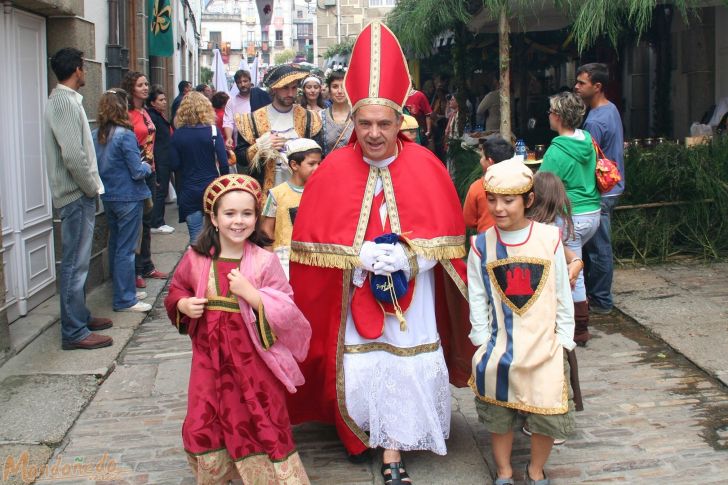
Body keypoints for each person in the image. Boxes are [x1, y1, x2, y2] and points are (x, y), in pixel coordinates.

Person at [286, 22, 474, 483]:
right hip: (355, 296)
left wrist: (413, 258)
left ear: (399, 123)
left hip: (415, 298)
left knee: (403, 358)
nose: (373, 134)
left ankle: (396, 445)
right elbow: (312, 249)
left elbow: (448, 241)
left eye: (383, 124)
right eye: (365, 123)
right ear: (355, 121)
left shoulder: (427, 166)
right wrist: (358, 258)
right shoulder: (330, 171)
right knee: (362, 360)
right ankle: (361, 428)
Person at [164, 174, 312, 484]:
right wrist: (183, 305)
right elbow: (177, 290)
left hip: (253, 364)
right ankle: (218, 473)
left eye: (246, 214)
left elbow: (286, 307)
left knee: (259, 417)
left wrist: (253, 295)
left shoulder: (264, 261)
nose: (238, 221)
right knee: (204, 418)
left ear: (257, 218)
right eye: (229, 213)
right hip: (209, 361)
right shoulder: (195, 258)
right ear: (214, 218)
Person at [468, 158, 576, 485]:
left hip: (545, 348)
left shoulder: (549, 239)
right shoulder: (480, 245)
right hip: (500, 349)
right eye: (492, 199)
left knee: (546, 416)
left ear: (528, 200)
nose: (498, 208)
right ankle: (503, 471)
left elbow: (560, 291)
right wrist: (481, 341)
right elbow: (478, 297)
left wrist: (565, 339)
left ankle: (535, 470)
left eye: (508, 200)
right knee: (498, 415)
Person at [44, 47, 113, 350]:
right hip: (75, 195)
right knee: (74, 263)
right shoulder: (62, 102)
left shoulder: (67, 101)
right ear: (76, 69)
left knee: (79, 262)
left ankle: (80, 316)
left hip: (77, 193)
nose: (85, 71)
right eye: (84, 66)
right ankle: (74, 331)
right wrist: (89, 188)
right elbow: (73, 154)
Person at [540, 91, 601, 346]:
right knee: (577, 263)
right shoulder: (586, 139)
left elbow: (541, 185)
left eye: (551, 112)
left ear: (558, 117)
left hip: (571, 217)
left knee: (572, 272)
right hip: (593, 212)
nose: (549, 116)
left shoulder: (557, 151)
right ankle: (578, 323)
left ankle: (579, 329)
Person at [93, 89, 153, 313]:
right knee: (126, 249)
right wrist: (147, 165)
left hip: (108, 195)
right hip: (128, 196)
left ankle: (123, 290)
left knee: (116, 245)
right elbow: (137, 171)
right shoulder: (124, 135)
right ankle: (125, 298)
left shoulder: (95, 133)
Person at [574, 63, 625, 316]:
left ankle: (602, 299)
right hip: (613, 186)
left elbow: (587, 161)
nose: (576, 86)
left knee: (598, 248)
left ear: (597, 86)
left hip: (603, 191)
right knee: (596, 246)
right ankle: (597, 295)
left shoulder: (595, 121)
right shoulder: (610, 108)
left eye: (582, 83)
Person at [234, 64, 322, 193]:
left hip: (302, 192)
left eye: (294, 87)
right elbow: (241, 158)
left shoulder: (309, 118)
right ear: (274, 88)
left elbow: (319, 156)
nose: (290, 93)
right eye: (285, 88)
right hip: (267, 192)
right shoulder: (252, 119)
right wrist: (259, 147)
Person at [122, 71, 168, 289]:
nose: (144, 87)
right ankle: (136, 270)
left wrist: (155, 171)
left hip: (150, 170)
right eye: (140, 84)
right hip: (136, 173)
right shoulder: (127, 113)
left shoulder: (146, 112)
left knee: (147, 222)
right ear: (131, 88)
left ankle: (147, 265)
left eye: (146, 84)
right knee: (137, 224)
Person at [170, 92, 229, 245]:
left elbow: (174, 164)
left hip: (188, 189)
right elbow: (223, 162)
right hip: (212, 189)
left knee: (195, 239)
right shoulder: (213, 131)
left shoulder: (177, 135)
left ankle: (197, 268)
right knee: (216, 236)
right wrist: (226, 184)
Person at [261, 139, 321, 278]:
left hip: (315, 258)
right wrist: (269, 261)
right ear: (294, 165)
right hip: (283, 259)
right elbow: (267, 229)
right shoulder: (277, 194)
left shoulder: (322, 192)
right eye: (311, 164)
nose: (317, 168)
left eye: (319, 163)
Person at [463, 135, 514, 233]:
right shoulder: (519, 184)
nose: (480, 160)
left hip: (486, 242)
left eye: (482, 157)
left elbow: (469, 221)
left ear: (490, 161)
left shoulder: (477, 187)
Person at [146, 85, 175, 235]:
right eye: (161, 100)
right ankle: (157, 222)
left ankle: (158, 220)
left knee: (162, 190)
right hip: (159, 159)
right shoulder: (153, 117)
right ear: (152, 102)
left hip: (165, 159)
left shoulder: (160, 116)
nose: (164, 102)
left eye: (164, 99)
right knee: (160, 191)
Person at [223, 69, 271, 150]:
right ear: (236, 84)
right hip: (242, 145)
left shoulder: (261, 96)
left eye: (245, 81)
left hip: (264, 142)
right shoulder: (231, 102)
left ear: (250, 81)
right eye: (239, 82)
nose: (242, 84)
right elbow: (228, 122)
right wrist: (229, 138)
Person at [320, 67, 353, 157]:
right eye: (335, 86)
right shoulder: (319, 117)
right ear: (329, 90)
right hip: (329, 168)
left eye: (343, 86)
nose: (339, 91)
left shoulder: (358, 115)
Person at [404, 80, 433, 146]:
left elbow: (427, 114)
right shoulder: (400, 95)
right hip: (403, 130)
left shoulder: (419, 95)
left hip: (417, 130)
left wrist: (428, 131)